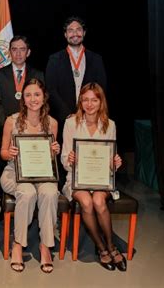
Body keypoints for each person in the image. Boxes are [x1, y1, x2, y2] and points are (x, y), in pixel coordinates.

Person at [61, 82, 126, 271]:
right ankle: (102, 248)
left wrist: (115, 163)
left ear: (101, 102)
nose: (89, 104)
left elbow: (110, 158)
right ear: (80, 101)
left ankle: (111, 246)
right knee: (87, 202)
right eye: (85, 100)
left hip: (99, 179)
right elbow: (64, 159)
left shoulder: (110, 125)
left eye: (94, 100)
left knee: (98, 200)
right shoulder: (71, 123)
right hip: (76, 178)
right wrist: (70, 159)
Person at [0, 79, 60, 273]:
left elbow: (48, 157)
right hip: (14, 172)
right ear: (23, 99)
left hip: (42, 174)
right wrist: (10, 153)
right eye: (28, 95)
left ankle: (45, 246)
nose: (32, 99)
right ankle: (18, 244)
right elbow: (2, 152)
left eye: (37, 95)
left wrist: (54, 151)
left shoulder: (52, 123)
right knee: (27, 193)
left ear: (44, 98)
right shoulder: (12, 120)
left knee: (50, 193)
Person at [0, 35, 44, 219]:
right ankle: (4, 207)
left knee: (30, 171)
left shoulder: (38, 74)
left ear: (28, 52)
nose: (18, 53)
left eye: (22, 49)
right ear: (9, 52)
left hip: (31, 134)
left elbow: (41, 102)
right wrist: (10, 126)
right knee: (3, 169)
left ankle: (33, 210)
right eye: (14, 49)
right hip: (6, 131)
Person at [45, 16, 107, 129]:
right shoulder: (54, 59)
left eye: (78, 29)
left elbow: (101, 88)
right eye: (70, 30)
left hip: (90, 117)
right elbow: (50, 89)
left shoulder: (96, 59)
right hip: (63, 119)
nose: (75, 33)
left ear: (84, 33)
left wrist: (88, 112)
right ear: (65, 34)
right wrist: (67, 114)